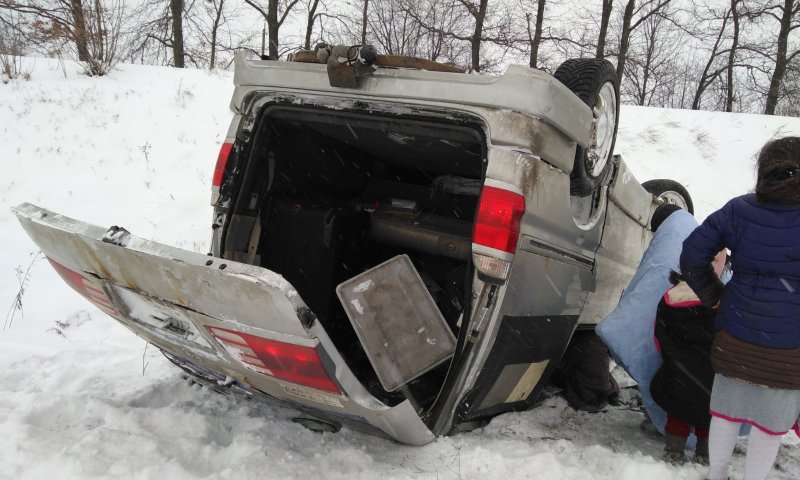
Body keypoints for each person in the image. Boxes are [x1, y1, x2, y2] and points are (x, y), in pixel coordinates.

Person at [680, 136, 800, 480]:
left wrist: (714, 294)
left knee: (726, 410)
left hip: (737, 333)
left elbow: (692, 254)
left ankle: (716, 474)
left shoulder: (739, 210)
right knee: (770, 423)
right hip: (790, 347)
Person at [649, 250, 727, 464]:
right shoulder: (724, 301)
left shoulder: (670, 297)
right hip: (711, 374)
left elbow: (659, 335)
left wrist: (671, 357)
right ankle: (705, 454)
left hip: (677, 371)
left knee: (678, 412)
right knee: (710, 415)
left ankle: (674, 451)